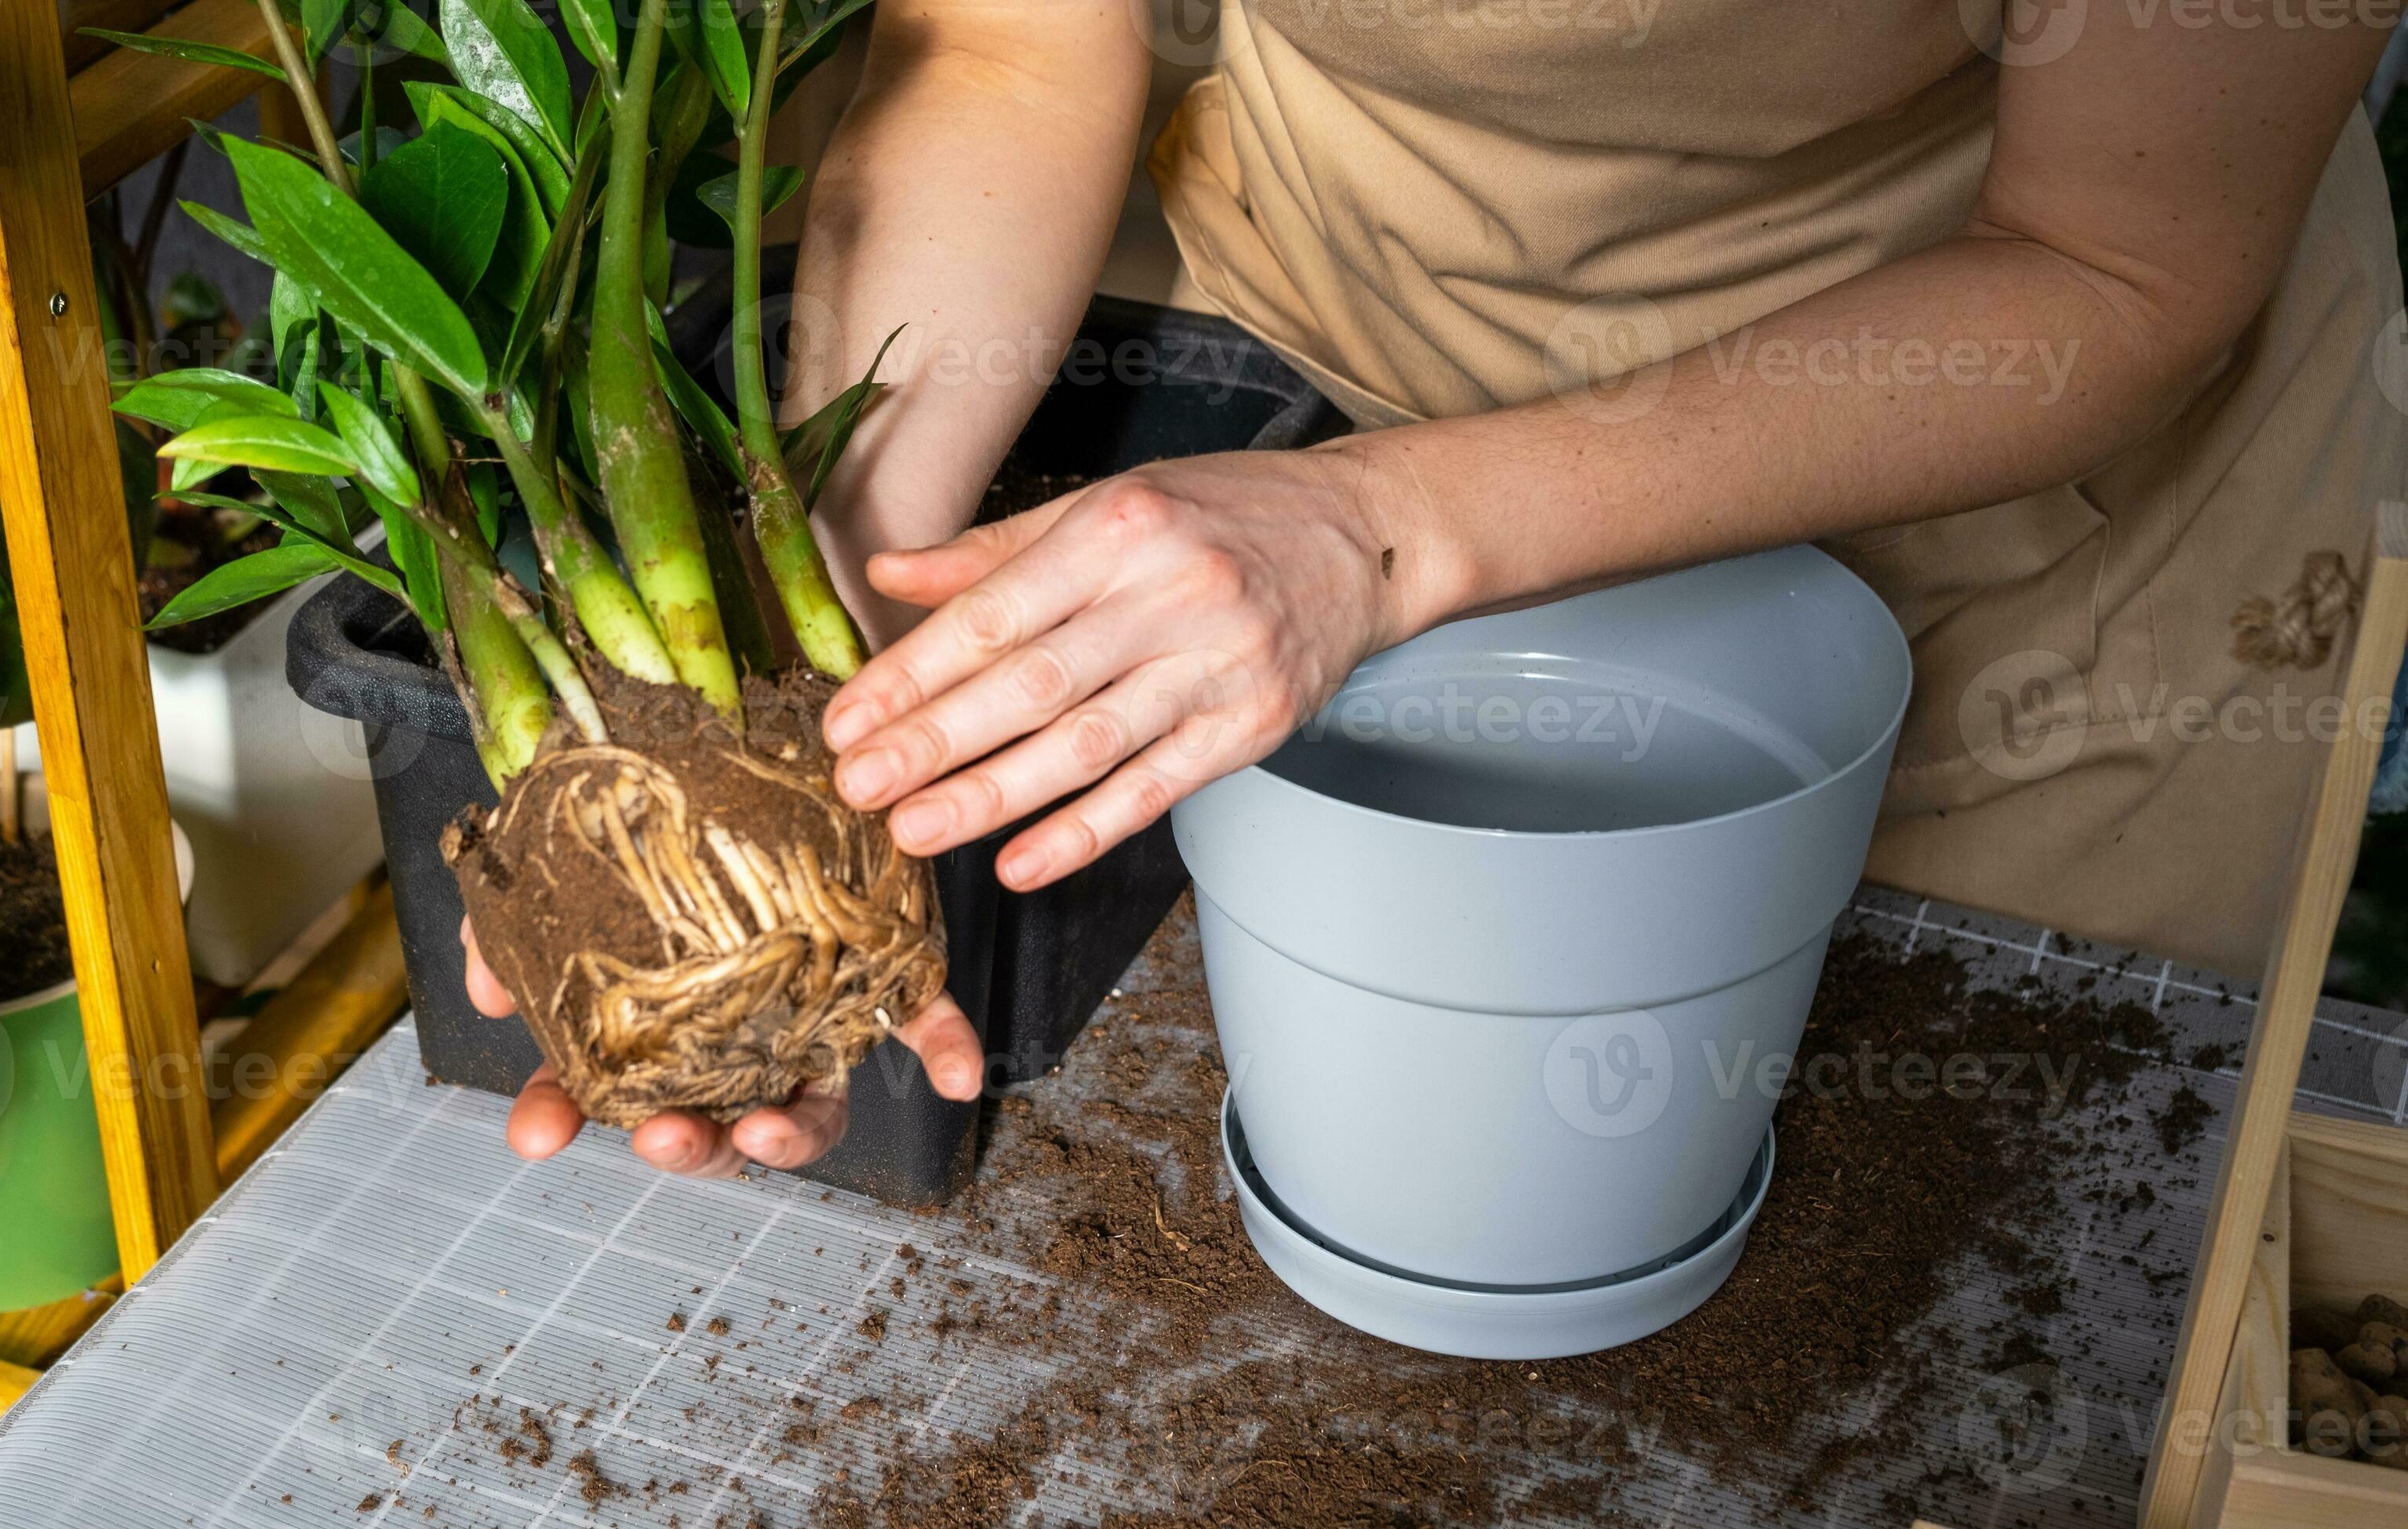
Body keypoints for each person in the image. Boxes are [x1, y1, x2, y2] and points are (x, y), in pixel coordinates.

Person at [473, 0, 2406, 1175]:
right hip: (1344, 357)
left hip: (1990, 468)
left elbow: (2116, 264)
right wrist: (815, 649)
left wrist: (1379, 535)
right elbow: (1009, 41)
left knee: (1958, 1176)